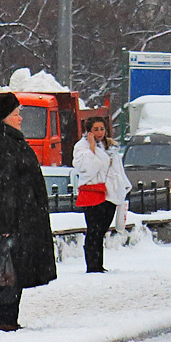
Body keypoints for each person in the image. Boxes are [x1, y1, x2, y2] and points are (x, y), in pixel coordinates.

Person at [0, 92, 56, 330]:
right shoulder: (3, 144)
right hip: (10, 224)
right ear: (4, 118)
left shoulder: (12, 141)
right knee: (6, 272)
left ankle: (7, 318)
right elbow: (3, 187)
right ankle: (4, 320)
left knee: (10, 271)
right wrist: (5, 225)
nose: (20, 118)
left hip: (18, 221)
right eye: (16, 114)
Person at [73, 116, 131, 273]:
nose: (99, 133)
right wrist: (92, 148)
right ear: (89, 131)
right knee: (94, 230)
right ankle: (92, 265)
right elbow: (86, 169)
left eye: (102, 129)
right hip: (93, 192)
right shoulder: (81, 147)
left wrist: (123, 186)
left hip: (110, 193)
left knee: (102, 229)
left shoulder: (110, 146)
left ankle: (99, 264)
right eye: (96, 129)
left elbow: (117, 169)